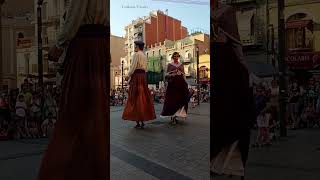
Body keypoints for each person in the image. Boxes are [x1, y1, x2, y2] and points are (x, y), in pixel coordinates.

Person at [37, 0, 109, 179]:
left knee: (73, 110)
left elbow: (75, 16)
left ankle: (65, 169)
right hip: (100, 48)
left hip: (85, 48)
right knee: (97, 111)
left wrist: (59, 45)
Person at [211, 3, 254, 180]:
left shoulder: (226, 11)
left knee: (233, 116)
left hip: (226, 64)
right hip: (215, 62)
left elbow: (236, 44)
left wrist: (247, 71)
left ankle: (233, 166)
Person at [122, 41, 156, 128]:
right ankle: (142, 120)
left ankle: (138, 121)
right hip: (143, 77)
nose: (134, 48)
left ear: (137, 47)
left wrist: (128, 75)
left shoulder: (136, 55)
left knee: (135, 97)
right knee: (143, 96)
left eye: (135, 46)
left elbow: (133, 66)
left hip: (137, 77)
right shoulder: (144, 56)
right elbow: (145, 68)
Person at [160, 52, 190, 124]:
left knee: (180, 99)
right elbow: (166, 75)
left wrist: (186, 83)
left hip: (181, 84)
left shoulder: (181, 65)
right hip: (172, 84)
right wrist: (173, 74)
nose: (176, 57)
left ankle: (176, 116)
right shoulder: (170, 65)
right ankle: (172, 116)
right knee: (172, 100)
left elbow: (184, 75)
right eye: (175, 56)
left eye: (177, 56)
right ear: (172, 57)